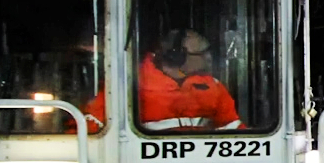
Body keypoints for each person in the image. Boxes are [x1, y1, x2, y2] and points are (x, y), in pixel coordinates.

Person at [83, 29, 243, 134]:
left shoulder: (212, 86)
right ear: (177, 57)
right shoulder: (128, 86)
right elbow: (89, 130)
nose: (209, 58)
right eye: (203, 53)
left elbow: (233, 128)